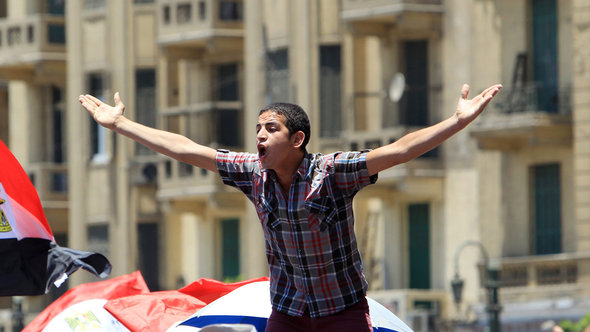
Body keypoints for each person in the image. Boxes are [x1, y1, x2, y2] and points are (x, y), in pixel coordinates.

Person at [79, 83, 502, 332]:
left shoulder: (332, 173)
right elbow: (187, 149)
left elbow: (400, 150)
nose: (259, 136)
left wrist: (458, 121)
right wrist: (120, 125)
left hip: (342, 312)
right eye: (257, 128)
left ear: (297, 140)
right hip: (290, 313)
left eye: (271, 128)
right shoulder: (252, 172)